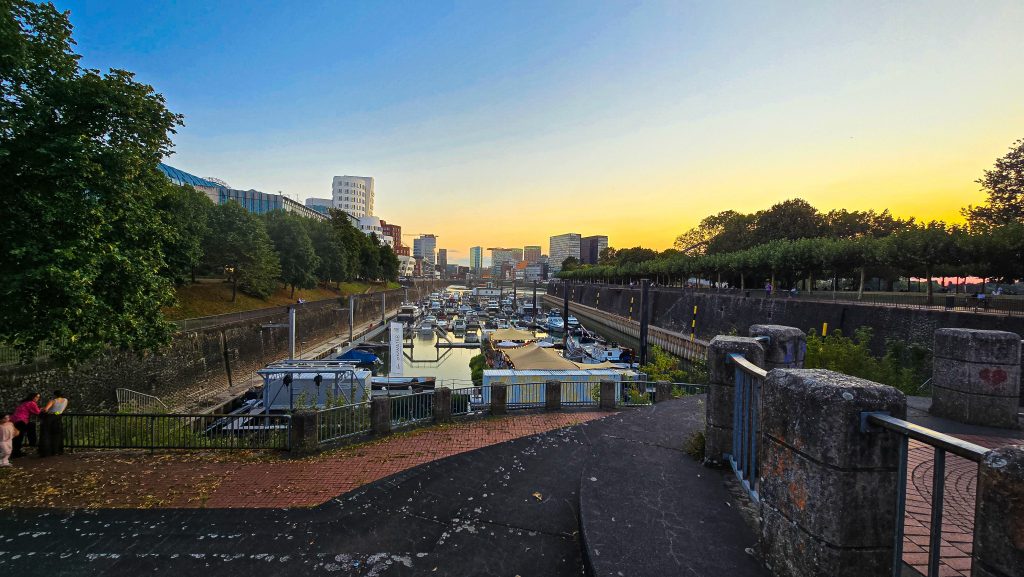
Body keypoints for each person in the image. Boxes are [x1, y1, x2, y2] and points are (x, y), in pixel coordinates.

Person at [39, 390, 68, 457]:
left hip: (50, 418)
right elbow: (61, 410)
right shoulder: (65, 400)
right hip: (58, 417)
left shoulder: (53, 401)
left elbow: (46, 409)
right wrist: (57, 413)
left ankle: (46, 451)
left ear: (55, 395)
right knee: (57, 434)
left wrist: (41, 409)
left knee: (47, 434)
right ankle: (57, 450)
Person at [10, 392, 40, 459]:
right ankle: (32, 443)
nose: (37, 398)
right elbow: (38, 412)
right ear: (32, 397)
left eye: (38, 397)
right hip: (21, 420)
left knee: (17, 437)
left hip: (15, 420)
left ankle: (16, 452)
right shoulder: (32, 403)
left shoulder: (24, 403)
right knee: (28, 429)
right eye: (36, 397)